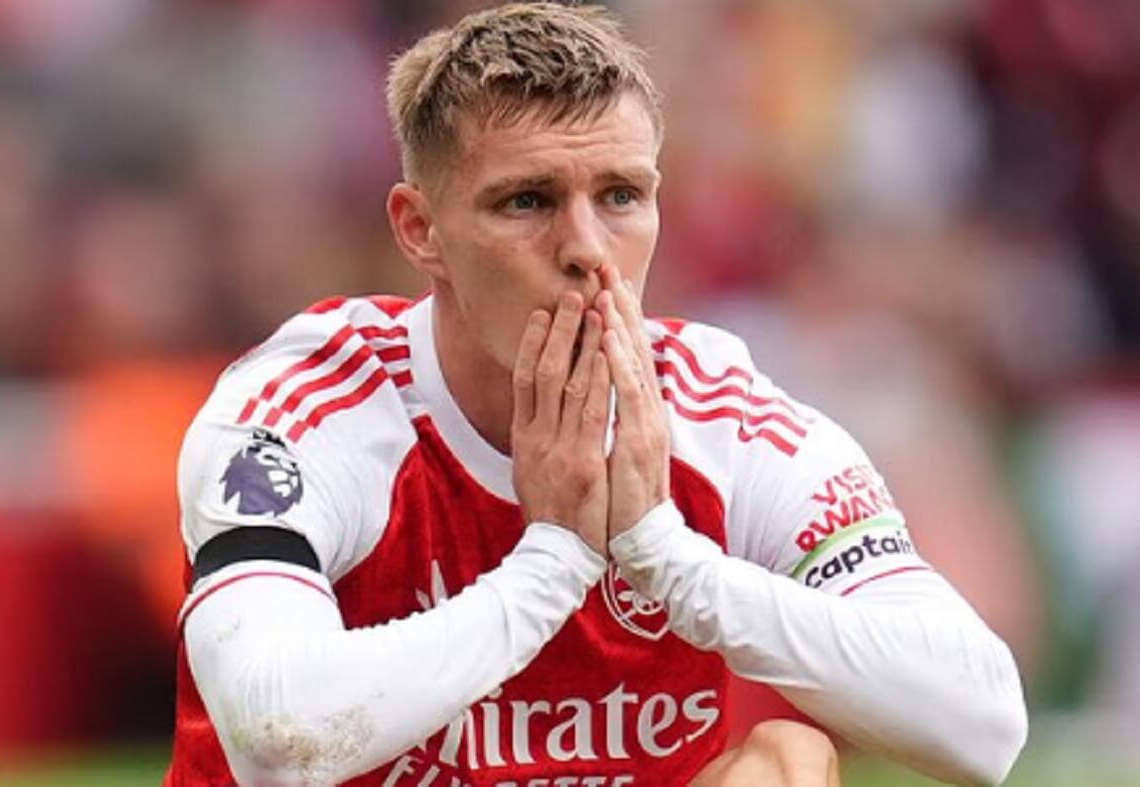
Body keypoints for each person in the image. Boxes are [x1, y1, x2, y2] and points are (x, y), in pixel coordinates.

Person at [164, 4, 1027, 785]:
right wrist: (552, 564)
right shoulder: (304, 410)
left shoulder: (718, 413)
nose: (587, 248)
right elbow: (275, 739)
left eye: (620, 195)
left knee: (786, 766)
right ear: (420, 231)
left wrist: (667, 555)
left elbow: (983, 723)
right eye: (527, 201)